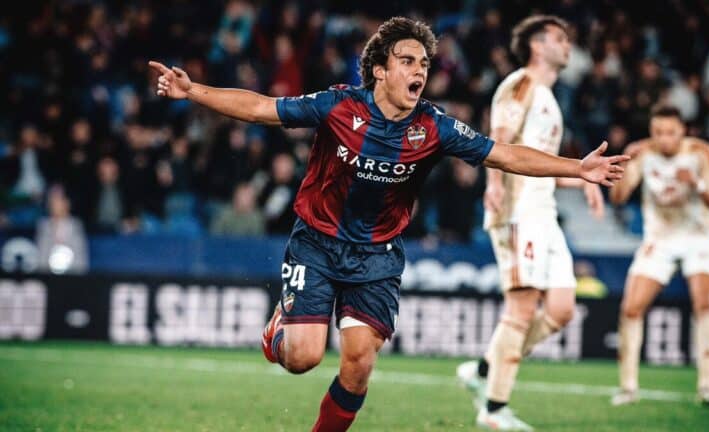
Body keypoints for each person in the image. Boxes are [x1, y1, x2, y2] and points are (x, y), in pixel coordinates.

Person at [149, 17, 627, 432]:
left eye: (424, 63)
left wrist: (577, 168)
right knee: (303, 359)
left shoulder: (434, 127)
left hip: (377, 255)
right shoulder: (339, 106)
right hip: (317, 242)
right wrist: (193, 92)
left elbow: (504, 154)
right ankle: (279, 330)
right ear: (380, 69)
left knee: (359, 364)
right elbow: (261, 108)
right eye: (407, 61)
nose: (419, 70)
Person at [455, 15, 605, 431]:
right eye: (559, 38)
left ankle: (483, 371)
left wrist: (582, 179)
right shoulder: (521, 83)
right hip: (518, 210)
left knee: (561, 309)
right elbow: (498, 140)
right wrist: (493, 185)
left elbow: (537, 163)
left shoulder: (548, 97)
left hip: (544, 212)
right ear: (537, 45)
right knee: (521, 308)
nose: (567, 45)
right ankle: (494, 408)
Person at [609, 105, 709, 407]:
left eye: (670, 132)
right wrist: (624, 166)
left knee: (704, 305)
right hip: (659, 239)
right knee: (631, 308)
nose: (664, 138)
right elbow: (618, 198)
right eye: (658, 132)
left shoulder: (701, 152)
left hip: (699, 236)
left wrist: (696, 183)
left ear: (682, 131)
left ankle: (707, 387)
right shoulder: (642, 153)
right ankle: (628, 388)